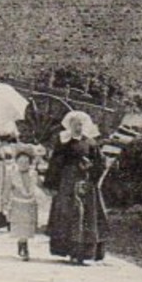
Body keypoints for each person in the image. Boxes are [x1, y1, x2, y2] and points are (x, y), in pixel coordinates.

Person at [43, 110, 108, 265]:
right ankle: (69, 250)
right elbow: (55, 163)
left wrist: (91, 169)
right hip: (67, 183)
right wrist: (52, 183)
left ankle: (83, 253)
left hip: (85, 183)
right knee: (69, 214)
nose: (78, 127)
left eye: (80, 124)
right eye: (75, 124)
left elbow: (100, 163)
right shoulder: (63, 142)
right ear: (69, 125)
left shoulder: (90, 143)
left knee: (85, 215)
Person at [6, 143, 43, 260]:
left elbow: (41, 186)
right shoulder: (13, 175)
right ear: (16, 163)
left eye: (26, 163)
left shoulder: (33, 174)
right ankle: (22, 247)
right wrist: (5, 204)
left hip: (30, 204)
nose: (23, 165)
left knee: (27, 229)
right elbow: (6, 190)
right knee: (20, 228)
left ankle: (24, 244)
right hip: (17, 204)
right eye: (21, 162)